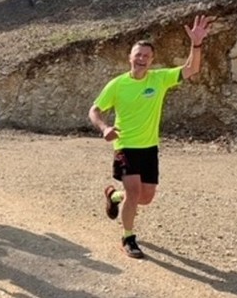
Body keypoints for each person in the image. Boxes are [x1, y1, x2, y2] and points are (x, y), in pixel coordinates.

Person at [88, 15, 211, 259]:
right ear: (130, 58)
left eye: (147, 56)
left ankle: (114, 196)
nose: (142, 59)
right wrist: (104, 128)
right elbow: (94, 110)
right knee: (134, 193)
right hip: (125, 145)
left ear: (152, 60)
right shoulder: (117, 84)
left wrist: (196, 44)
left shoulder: (159, 79)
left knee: (145, 197)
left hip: (149, 147)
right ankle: (128, 238)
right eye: (138, 55)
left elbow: (192, 68)